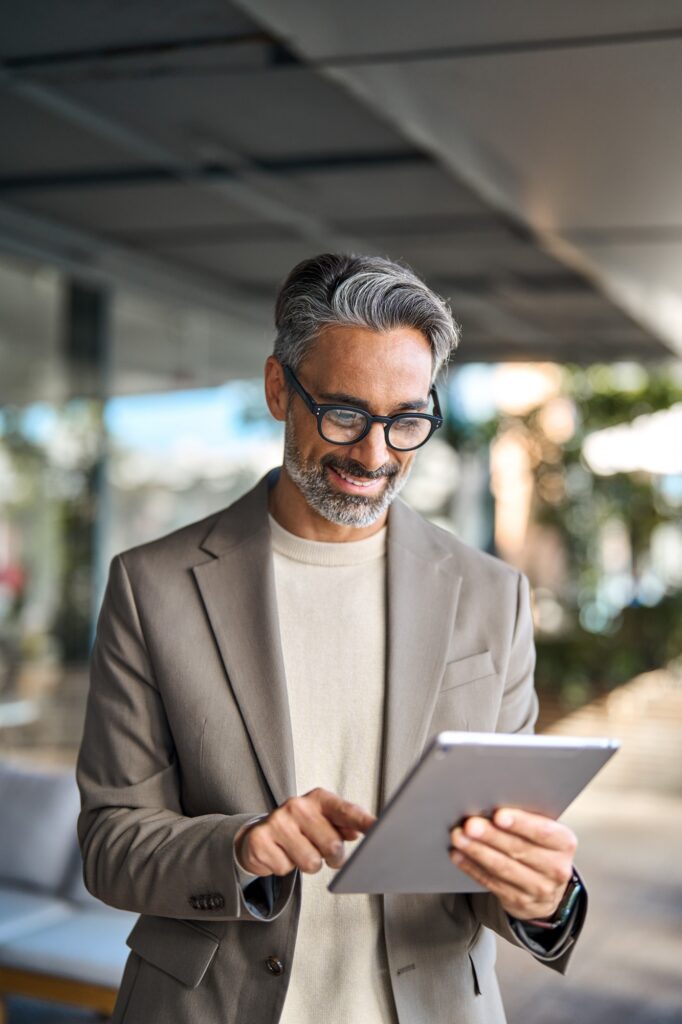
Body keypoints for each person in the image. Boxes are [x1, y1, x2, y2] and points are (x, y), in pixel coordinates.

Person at [76, 253, 587, 1024]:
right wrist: (243, 848)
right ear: (280, 388)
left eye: (407, 420)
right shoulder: (152, 587)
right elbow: (111, 844)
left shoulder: (493, 596)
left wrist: (544, 898)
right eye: (345, 414)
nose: (376, 455)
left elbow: (491, 855)